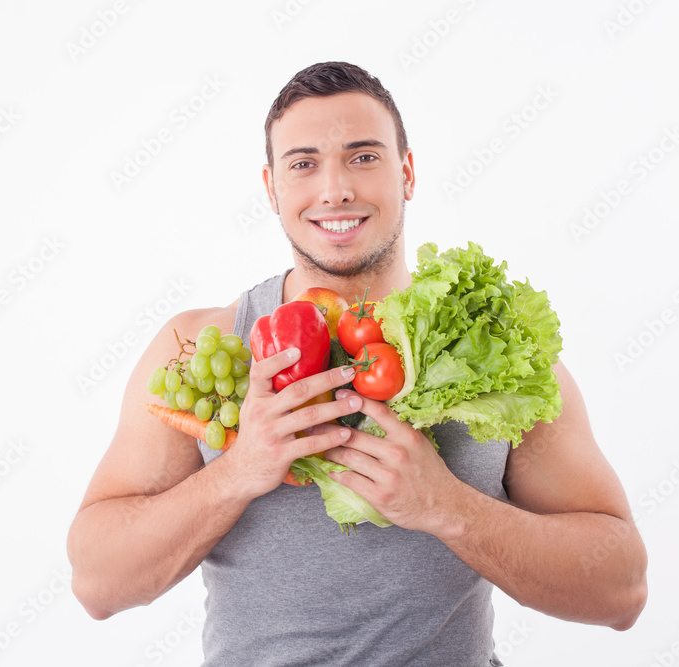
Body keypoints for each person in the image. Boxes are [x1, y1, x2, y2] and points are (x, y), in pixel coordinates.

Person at [67, 61, 647, 665]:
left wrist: (448, 507)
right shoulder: (200, 344)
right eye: (303, 164)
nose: (335, 189)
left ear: (408, 172)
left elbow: (621, 591)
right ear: (272, 188)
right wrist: (238, 471)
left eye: (364, 157)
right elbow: (98, 584)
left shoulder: (493, 351)